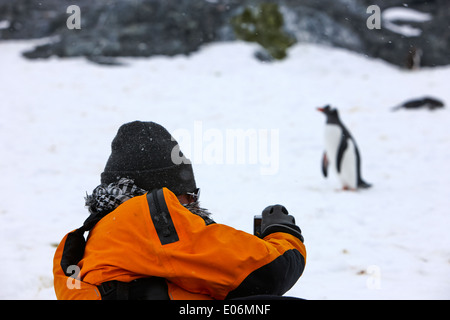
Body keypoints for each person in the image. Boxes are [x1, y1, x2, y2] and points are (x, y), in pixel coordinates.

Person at [53, 121, 306, 300]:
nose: (193, 203)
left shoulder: (107, 230)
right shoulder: (148, 216)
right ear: (166, 193)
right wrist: (282, 232)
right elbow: (267, 273)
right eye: (189, 194)